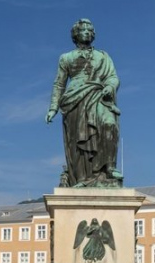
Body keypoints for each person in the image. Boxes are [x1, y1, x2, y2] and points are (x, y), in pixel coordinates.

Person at [46, 18, 122, 188]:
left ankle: (109, 167)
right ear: (76, 34)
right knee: (78, 140)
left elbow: (113, 77)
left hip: (99, 95)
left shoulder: (103, 56)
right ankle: (82, 178)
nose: (87, 32)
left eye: (90, 30)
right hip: (74, 100)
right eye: (83, 30)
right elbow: (59, 84)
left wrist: (110, 86)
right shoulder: (66, 58)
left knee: (109, 124)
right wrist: (53, 108)